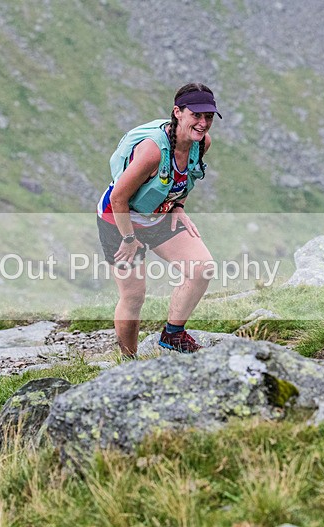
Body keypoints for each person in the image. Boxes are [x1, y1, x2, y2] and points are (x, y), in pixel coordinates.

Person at [96, 83, 221, 355]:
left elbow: (188, 176)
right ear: (177, 112)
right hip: (119, 221)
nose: (203, 123)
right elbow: (118, 198)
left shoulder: (202, 143)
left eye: (209, 116)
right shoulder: (153, 150)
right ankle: (128, 361)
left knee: (202, 268)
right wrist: (129, 238)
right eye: (196, 115)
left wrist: (178, 206)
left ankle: (173, 335)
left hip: (160, 215)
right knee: (134, 296)